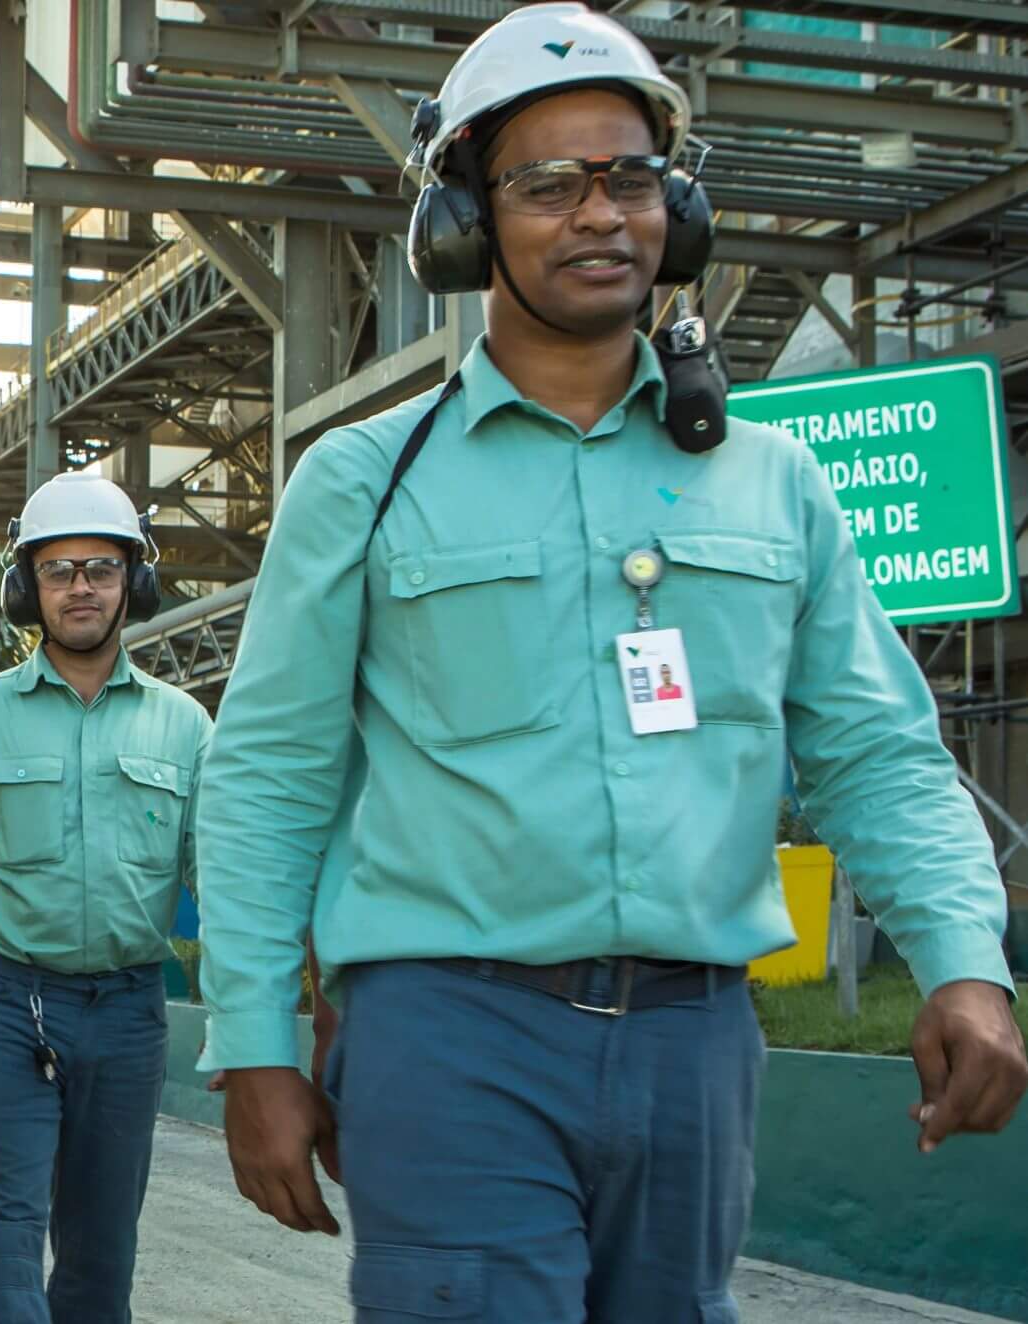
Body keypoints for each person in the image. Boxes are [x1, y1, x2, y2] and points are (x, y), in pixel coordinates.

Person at [193, 6, 1027, 1319]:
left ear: (674, 210)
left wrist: (962, 964)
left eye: (629, 178)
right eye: (547, 184)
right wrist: (251, 1044)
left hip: (694, 1042)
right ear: (464, 224)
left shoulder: (774, 483)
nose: (598, 216)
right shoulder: (361, 481)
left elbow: (871, 749)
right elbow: (269, 777)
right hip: (448, 1034)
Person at [0, 469, 208, 1323]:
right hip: (2, 1003)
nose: (80, 588)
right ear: (28, 588)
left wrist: (249, 1034)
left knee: (103, 1253)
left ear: (132, 582)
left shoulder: (185, 726)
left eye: (101, 569)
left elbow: (220, 882)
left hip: (131, 1010)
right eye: (58, 571)